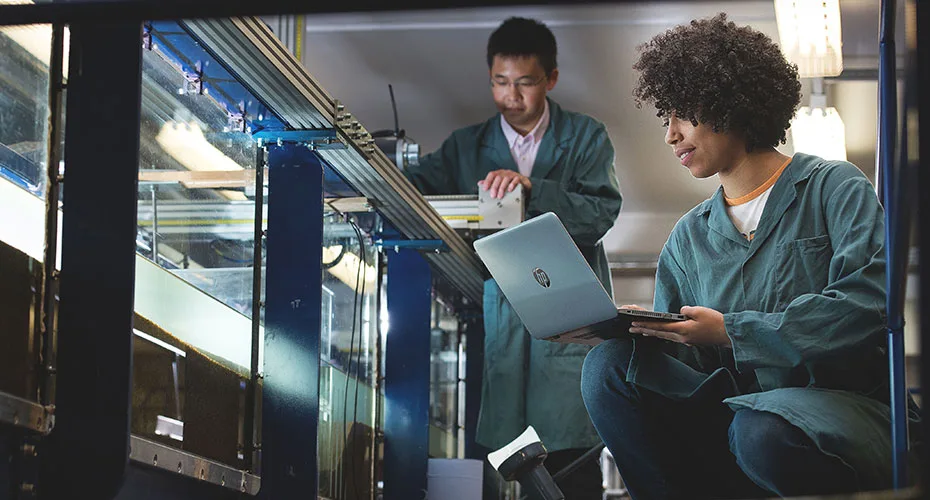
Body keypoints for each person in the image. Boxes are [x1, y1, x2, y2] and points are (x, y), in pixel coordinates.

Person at [580, 13, 920, 500]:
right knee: (607, 365)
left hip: (844, 416)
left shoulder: (833, 188)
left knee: (761, 428)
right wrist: (646, 332)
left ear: (731, 102)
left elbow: (868, 304)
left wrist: (732, 330)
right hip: (739, 423)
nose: (670, 134)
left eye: (683, 114)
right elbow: (695, 371)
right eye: (665, 118)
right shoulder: (687, 239)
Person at [403, 16, 622, 499]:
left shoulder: (586, 137)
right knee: (503, 458)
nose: (511, 96)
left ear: (551, 79)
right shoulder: (465, 146)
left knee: (569, 459)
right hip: (497, 318)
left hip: (564, 306)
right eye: (500, 83)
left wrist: (533, 189)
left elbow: (602, 213)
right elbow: (412, 192)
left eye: (524, 83)